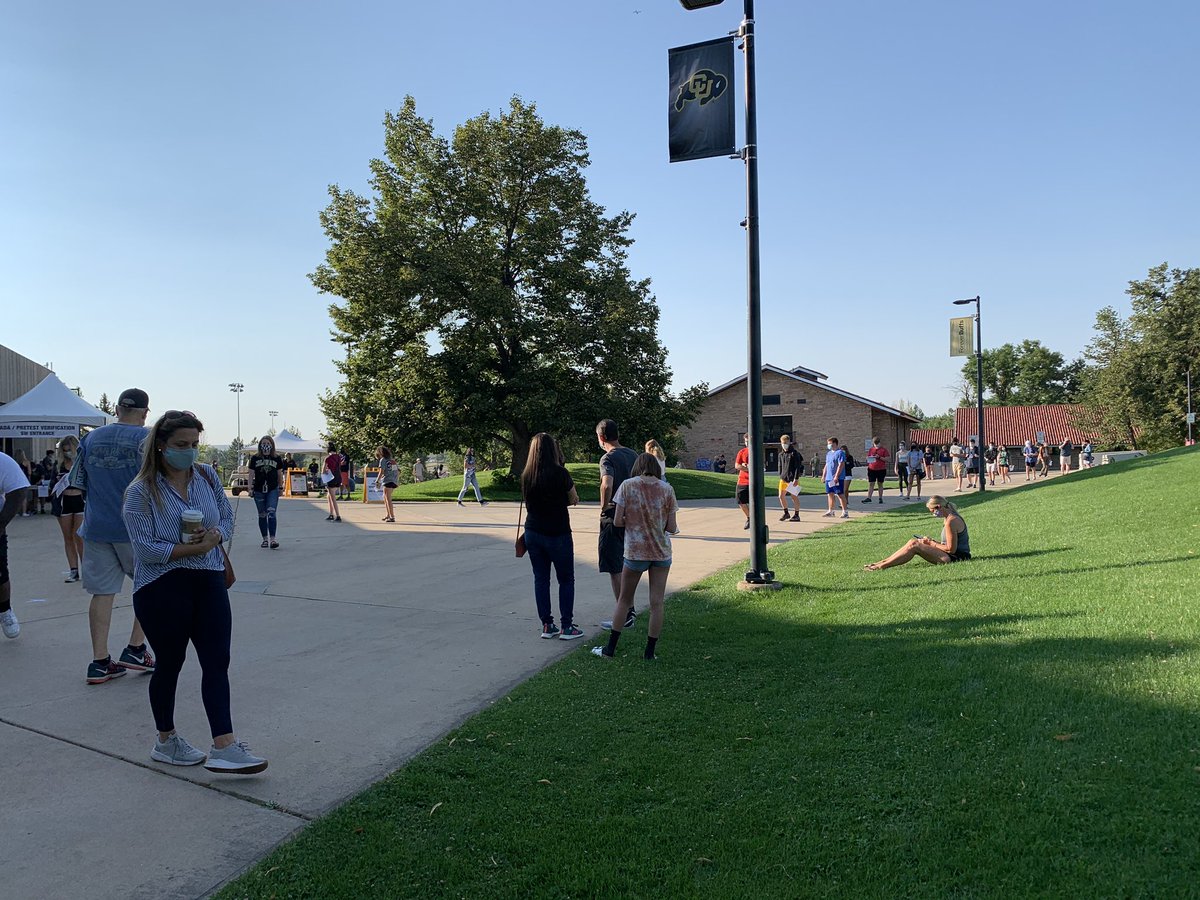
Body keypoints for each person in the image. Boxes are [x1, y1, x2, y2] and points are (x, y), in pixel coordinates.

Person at [123, 410, 267, 774]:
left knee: (217, 661)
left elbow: (226, 519)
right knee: (170, 663)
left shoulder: (205, 476)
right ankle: (166, 739)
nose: (189, 452)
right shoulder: (141, 491)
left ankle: (225, 746)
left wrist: (214, 536)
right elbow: (146, 550)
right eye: (181, 445)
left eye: (194, 445)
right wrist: (192, 548)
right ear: (160, 446)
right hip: (161, 585)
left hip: (209, 579)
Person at [69, 388, 155, 685]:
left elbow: (76, 481)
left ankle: (100, 661)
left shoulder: (91, 438)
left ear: (117, 409)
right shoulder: (147, 440)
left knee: (102, 593)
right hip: (135, 528)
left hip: (96, 528)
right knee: (151, 587)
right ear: (145, 413)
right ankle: (135, 648)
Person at [592, 452, 678, 661]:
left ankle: (610, 648)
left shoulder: (628, 486)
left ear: (637, 467)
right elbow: (672, 527)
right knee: (656, 603)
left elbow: (618, 522)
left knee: (624, 600)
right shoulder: (667, 489)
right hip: (660, 551)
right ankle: (649, 652)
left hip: (635, 551)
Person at [520, 433, 581, 640]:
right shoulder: (560, 473)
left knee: (541, 579)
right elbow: (573, 499)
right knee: (565, 579)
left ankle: (547, 625)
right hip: (558, 532)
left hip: (533, 532)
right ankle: (567, 626)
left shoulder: (527, 475)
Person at [596, 419, 640, 629]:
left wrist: (605, 506)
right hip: (634, 515)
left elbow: (607, 484)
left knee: (615, 566)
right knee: (628, 563)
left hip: (614, 516)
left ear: (601, 437)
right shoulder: (633, 455)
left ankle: (625, 613)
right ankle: (629, 609)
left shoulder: (607, 458)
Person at [863, 495, 971, 570]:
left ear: (939, 507)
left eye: (932, 511)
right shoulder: (948, 518)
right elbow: (947, 545)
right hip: (950, 555)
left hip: (955, 558)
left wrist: (931, 543)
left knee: (914, 545)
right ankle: (882, 562)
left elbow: (951, 549)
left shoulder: (951, 521)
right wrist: (931, 541)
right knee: (912, 542)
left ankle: (883, 566)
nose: (933, 514)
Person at [0, 451, 31, 640]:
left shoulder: (2, 461)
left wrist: (1, 522)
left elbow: (19, 489)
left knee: (0, 575)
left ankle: (5, 610)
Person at [52, 435, 86, 583]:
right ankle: (73, 570)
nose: (67, 453)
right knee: (68, 537)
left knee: (79, 536)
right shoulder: (58, 465)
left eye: (69, 450)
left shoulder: (82, 463)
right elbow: (51, 485)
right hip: (64, 501)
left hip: (79, 499)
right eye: (64, 450)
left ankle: (86, 569)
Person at [248, 436, 283, 549]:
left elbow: (279, 474)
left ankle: (273, 539)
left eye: (268, 443)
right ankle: (265, 539)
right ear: (260, 445)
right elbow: (251, 474)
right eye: (263, 443)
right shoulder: (255, 458)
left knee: (271, 512)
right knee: (262, 514)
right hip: (259, 489)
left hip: (272, 489)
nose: (266, 445)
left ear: (272, 445)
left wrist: (281, 487)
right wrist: (249, 488)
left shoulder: (277, 458)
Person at [777, 434, 804, 521]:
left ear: (789, 442)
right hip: (783, 478)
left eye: (786, 443)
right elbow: (780, 466)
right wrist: (780, 475)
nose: (784, 444)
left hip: (792, 478)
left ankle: (797, 514)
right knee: (781, 496)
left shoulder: (794, 453)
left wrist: (796, 478)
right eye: (782, 443)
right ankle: (786, 513)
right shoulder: (781, 454)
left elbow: (797, 467)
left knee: (794, 497)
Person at [821, 437, 848, 518]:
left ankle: (845, 512)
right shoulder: (828, 454)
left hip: (837, 478)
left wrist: (836, 476)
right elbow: (826, 465)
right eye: (828, 444)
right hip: (829, 478)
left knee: (840, 494)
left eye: (830, 443)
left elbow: (841, 464)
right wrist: (824, 475)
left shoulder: (840, 452)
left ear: (835, 443)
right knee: (830, 494)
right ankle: (831, 511)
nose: (829, 445)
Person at [374, 446, 399, 523]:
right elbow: (396, 472)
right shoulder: (392, 461)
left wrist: (377, 480)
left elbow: (381, 471)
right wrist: (396, 481)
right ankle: (388, 514)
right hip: (393, 480)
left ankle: (392, 516)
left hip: (387, 480)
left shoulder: (383, 460)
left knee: (388, 499)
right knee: (385, 497)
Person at [862, 436, 889, 504]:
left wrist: (879, 457)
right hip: (872, 468)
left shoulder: (883, 450)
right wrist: (868, 458)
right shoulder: (871, 449)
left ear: (880, 443)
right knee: (871, 483)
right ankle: (869, 497)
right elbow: (868, 458)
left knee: (880, 483)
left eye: (877, 444)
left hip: (881, 469)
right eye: (875, 444)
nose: (876, 445)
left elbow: (887, 459)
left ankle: (880, 498)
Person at [322, 442, 342, 522]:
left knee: (333, 498)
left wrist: (326, 471)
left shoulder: (327, 458)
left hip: (331, 478)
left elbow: (323, 471)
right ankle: (331, 514)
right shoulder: (338, 457)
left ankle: (337, 515)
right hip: (338, 477)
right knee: (328, 496)